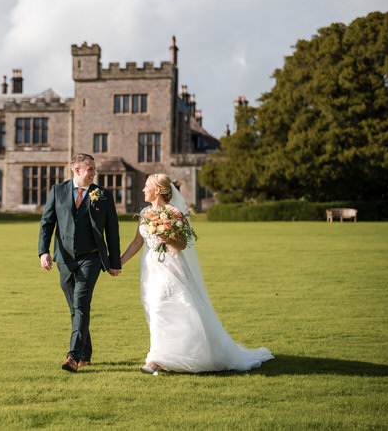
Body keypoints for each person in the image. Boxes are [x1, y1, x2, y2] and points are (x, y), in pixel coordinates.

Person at [120, 173, 273, 374]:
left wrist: (169, 239)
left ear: (158, 190)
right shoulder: (145, 213)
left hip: (170, 267)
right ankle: (168, 355)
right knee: (153, 308)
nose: (143, 190)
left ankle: (155, 359)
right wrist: (119, 262)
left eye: (147, 186)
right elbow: (137, 242)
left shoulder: (174, 213)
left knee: (163, 308)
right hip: (150, 268)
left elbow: (182, 244)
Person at [38, 153, 122, 372]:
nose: (94, 173)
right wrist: (43, 252)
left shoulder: (103, 195)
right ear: (76, 170)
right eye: (90, 169)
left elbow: (112, 230)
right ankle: (85, 353)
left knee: (81, 304)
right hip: (64, 259)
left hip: (91, 258)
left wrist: (115, 262)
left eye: (94, 169)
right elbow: (47, 223)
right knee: (76, 309)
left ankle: (73, 356)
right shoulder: (58, 191)